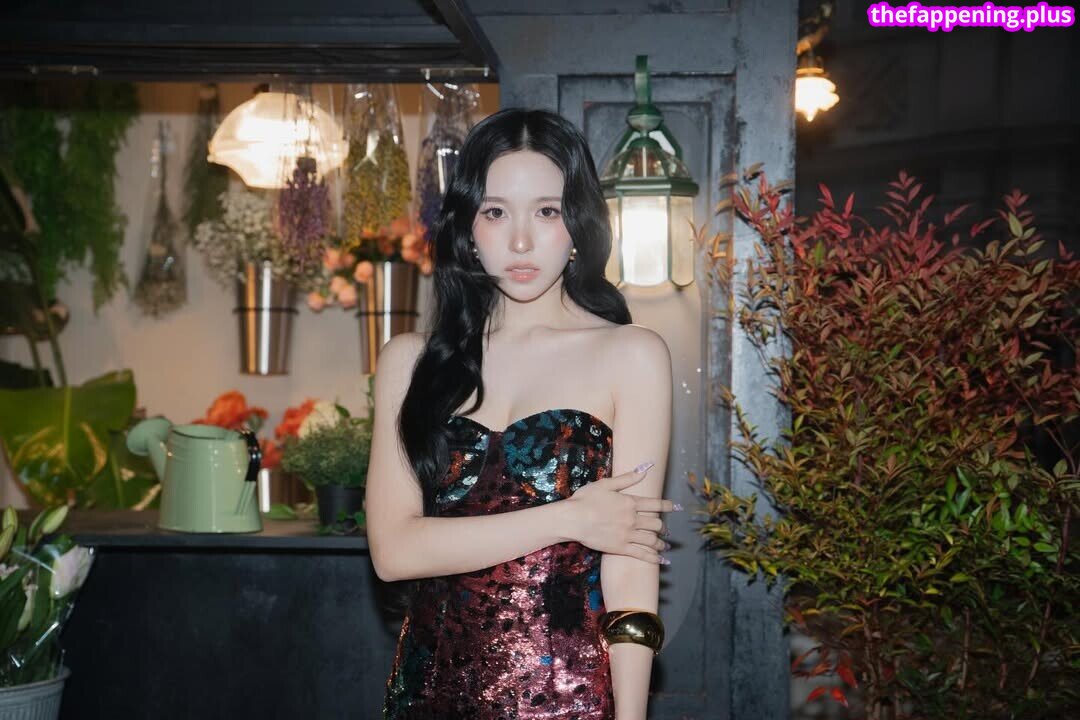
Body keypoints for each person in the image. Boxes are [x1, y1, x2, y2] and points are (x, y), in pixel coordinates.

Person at [366, 107, 678, 719]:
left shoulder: (631, 354)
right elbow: (394, 551)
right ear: (467, 230)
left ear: (578, 225)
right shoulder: (409, 362)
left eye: (547, 211)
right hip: (427, 695)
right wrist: (568, 517)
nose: (520, 242)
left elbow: (630, 568)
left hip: (570, 699)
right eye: (495, 212)